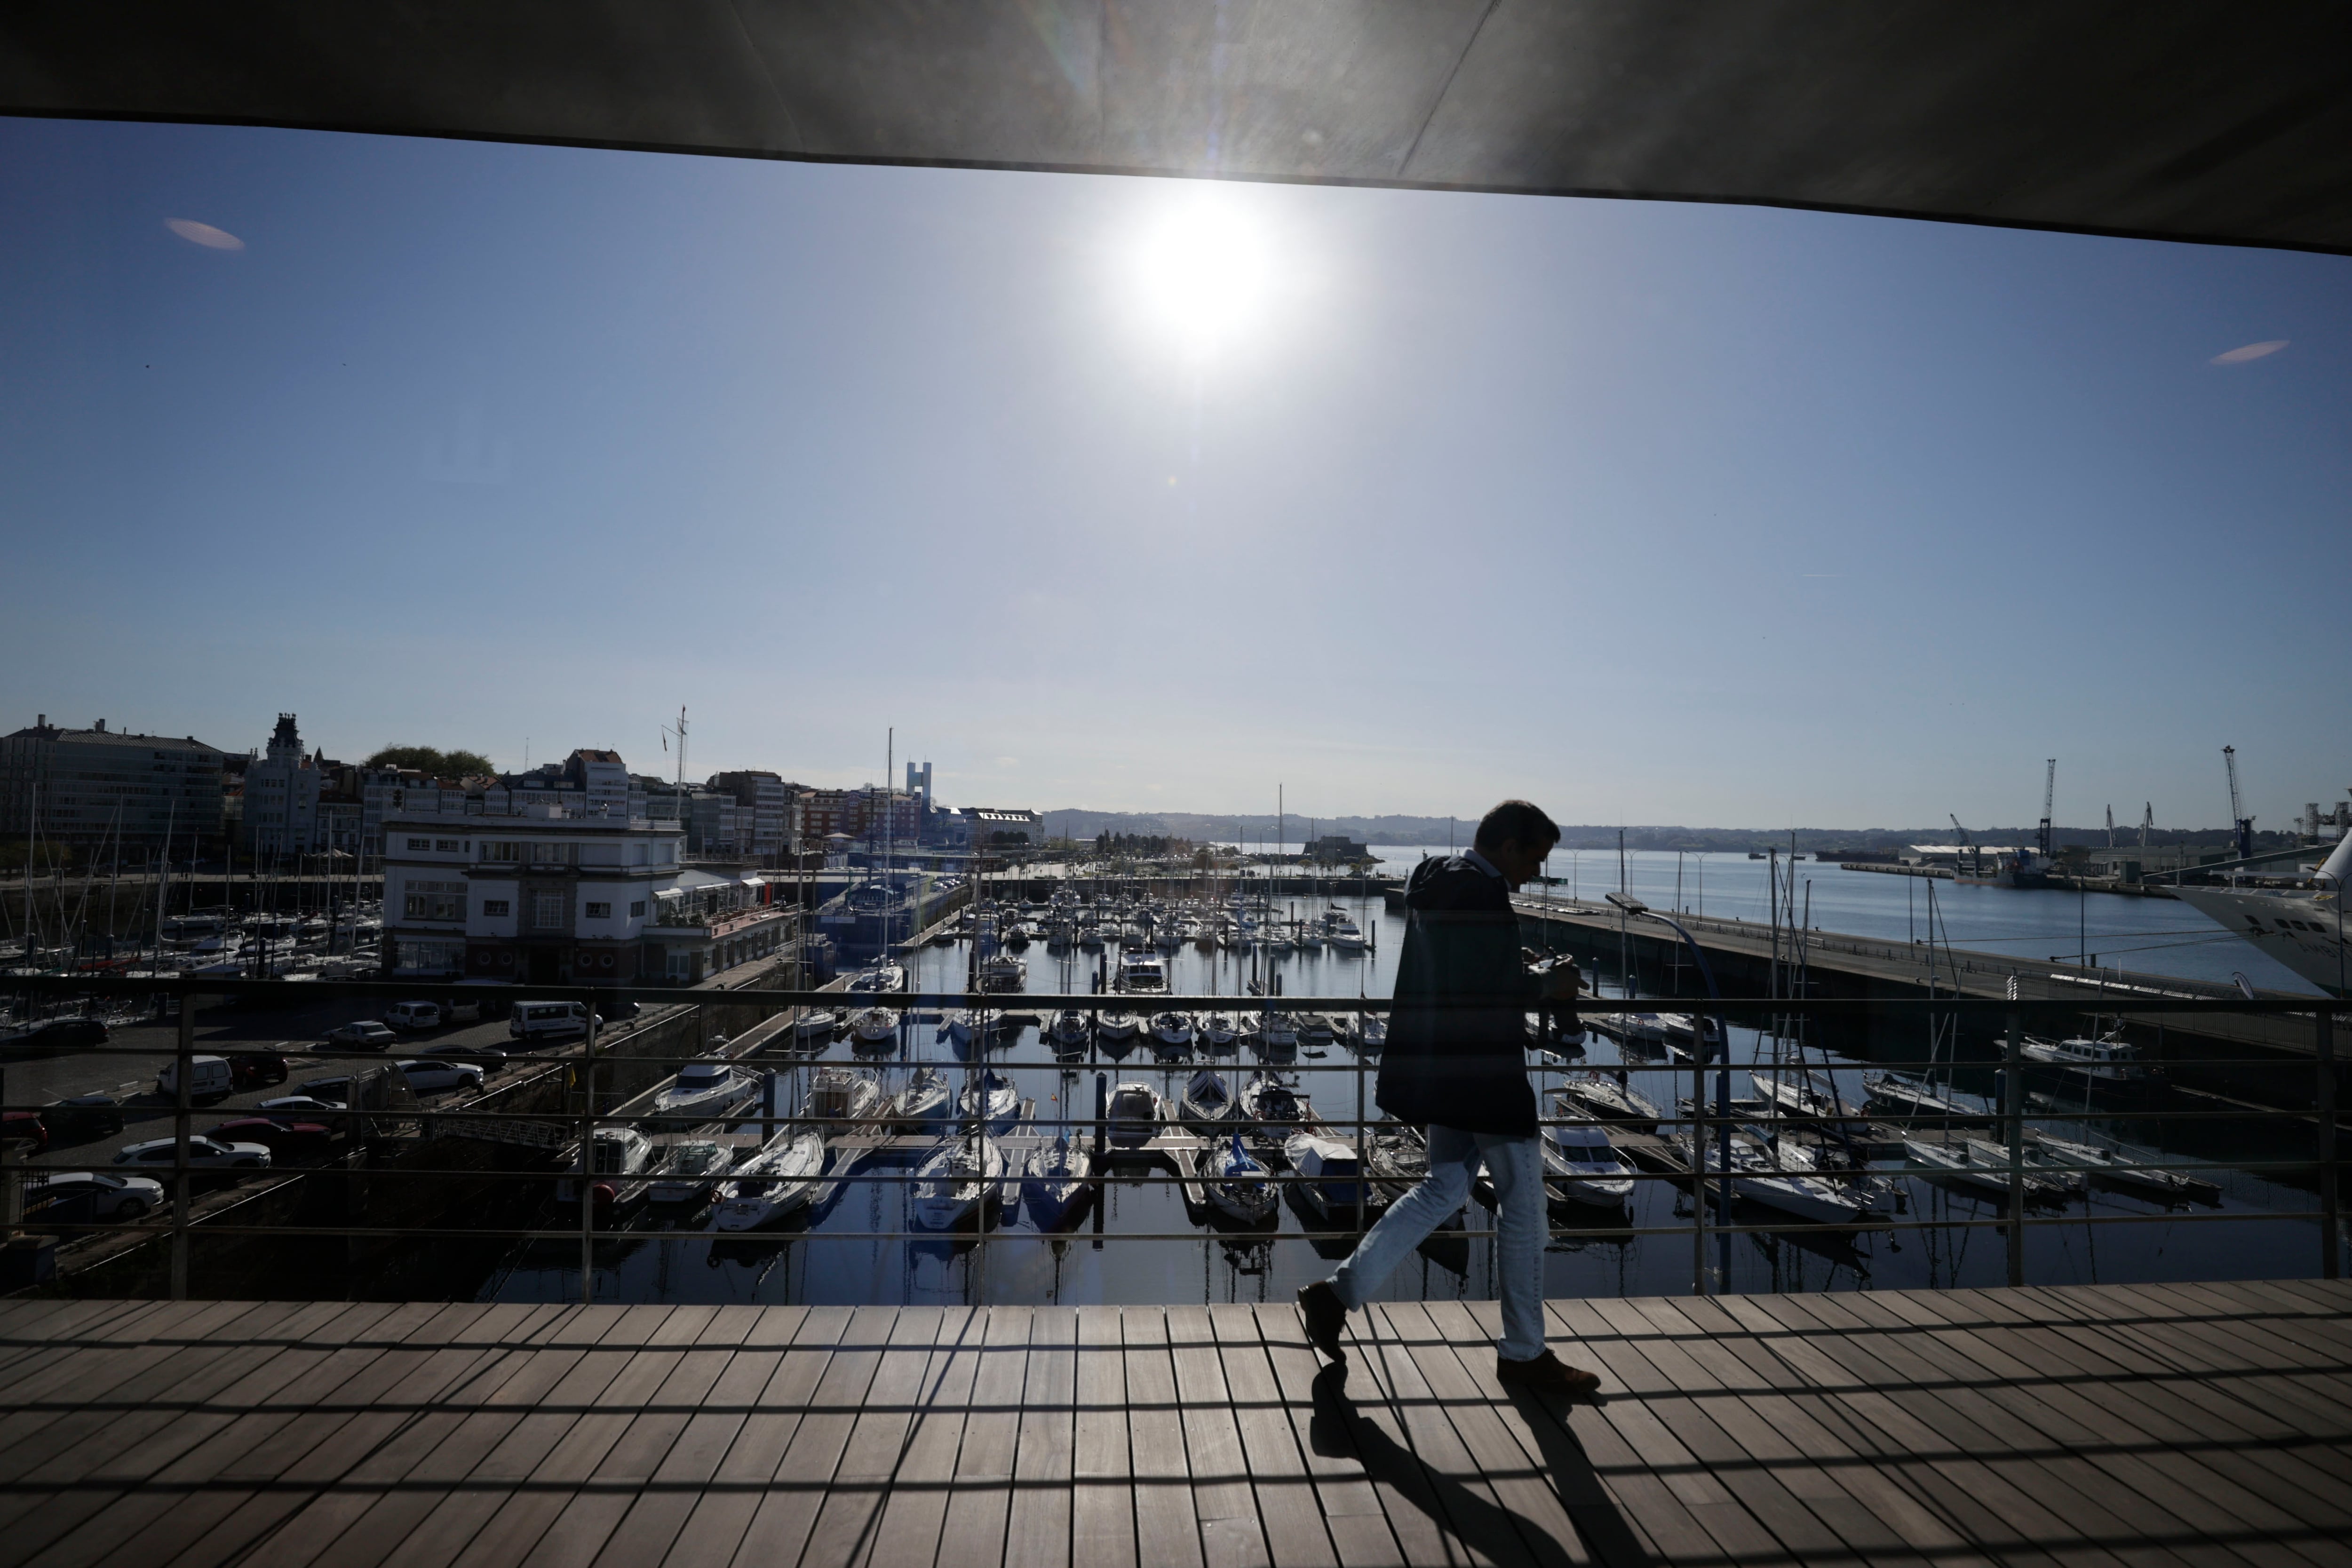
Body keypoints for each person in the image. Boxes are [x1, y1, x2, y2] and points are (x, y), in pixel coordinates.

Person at [1297, 799, 1602, 1395]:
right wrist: (1551, 985)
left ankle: (1336, 1297)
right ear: (1508, 846)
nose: (1534, 874)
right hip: (1484, 1072)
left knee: (1445, 1185)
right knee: (1524, 1208)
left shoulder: (1439, 881)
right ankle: (1522, 1354)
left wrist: (1510, 963)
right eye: (1534, 860)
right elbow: (1486, 991)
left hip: (1444, 1068)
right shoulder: (1478, 892)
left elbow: (1465, 970)